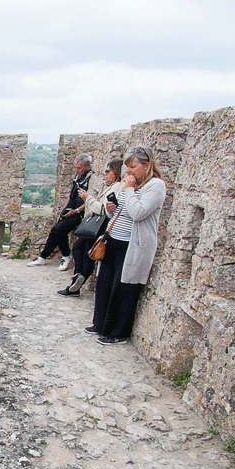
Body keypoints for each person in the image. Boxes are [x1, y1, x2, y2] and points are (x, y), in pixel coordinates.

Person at [86, 146, 166, 345]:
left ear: (147, 166)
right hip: (114, 240)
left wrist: (129, 189)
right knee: (105, 285)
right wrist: (111, 208)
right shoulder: (131, 184)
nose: (129, 172)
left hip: (133, 245)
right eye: (127, 168)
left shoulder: (155, 186)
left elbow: (139, 212)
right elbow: (121, 212)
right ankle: (101, 325)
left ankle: (117, 333)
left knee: (123, 289)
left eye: (133, 167)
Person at [58, 159, 124, 296]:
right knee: (77, 247)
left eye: (108, 171)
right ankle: (78, 277)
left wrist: (88, 198)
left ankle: (76, 284)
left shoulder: (118, 187)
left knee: (88, 253)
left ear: (116, 172)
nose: (105, 174)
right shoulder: (111, 186)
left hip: (101, 225)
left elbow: (105, 210)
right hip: (96, 223)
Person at [28, 154, 93, 270]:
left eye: (79, 168)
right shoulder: (78, 177)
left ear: (88, 166)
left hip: (79, 213)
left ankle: (66, 256)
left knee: (59, 230)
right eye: (76, 167)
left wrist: (76, 211)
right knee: (54, 230)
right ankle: (42, 258)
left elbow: (90, 199)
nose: (77, 170)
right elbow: (71, 194)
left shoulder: (91, 179)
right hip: (70, 209)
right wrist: (63, 210)